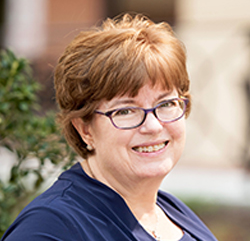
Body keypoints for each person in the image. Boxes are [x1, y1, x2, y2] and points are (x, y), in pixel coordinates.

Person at [1, 14, 217, 241]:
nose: (153, 126)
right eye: (125, 111)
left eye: (166, 104)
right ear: (84, 129)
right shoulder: (50, 228)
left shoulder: (173, 211)